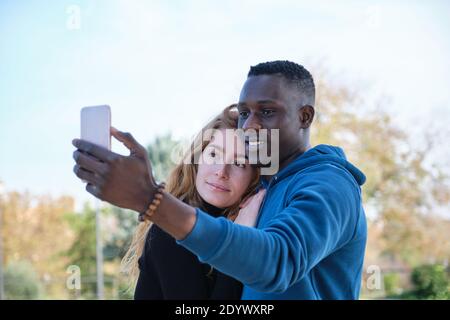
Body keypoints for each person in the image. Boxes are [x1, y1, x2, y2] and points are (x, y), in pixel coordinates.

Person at [72, 60, 367, 299]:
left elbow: (278, 262)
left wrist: (150, 200)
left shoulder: (330, 183)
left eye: (266, 112)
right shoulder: (265, 187)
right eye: (244, 113)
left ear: (304, 117)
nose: (249, 125)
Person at [120, 105, 264, 299]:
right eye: (214, 154)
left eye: (239, 163)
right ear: (198, 159)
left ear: (254, 177)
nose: (221, 172)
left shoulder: (252, 218)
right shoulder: (172, 228)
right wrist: (241, 237)